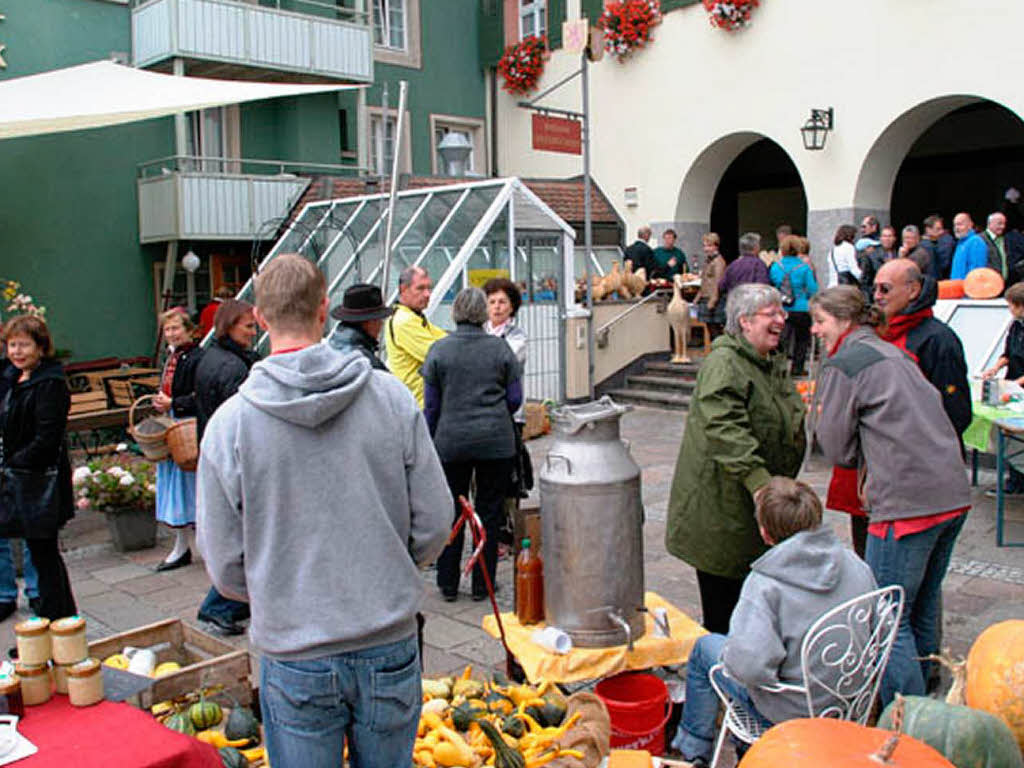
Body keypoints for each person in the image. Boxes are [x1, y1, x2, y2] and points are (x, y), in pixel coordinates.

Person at [197, 254, 450, 768]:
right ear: (323, 310)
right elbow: (435, 520)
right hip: (387, 639)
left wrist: (278, 587)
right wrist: (391, 565)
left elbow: (222, 562)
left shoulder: (230, 425)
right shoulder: (391, 399)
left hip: (294, 649)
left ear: (262, 319)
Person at [812, 285, 971, 705]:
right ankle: (927, 689)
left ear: (843, 322)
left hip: (908, 502)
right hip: (952, 494)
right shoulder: (893, 352)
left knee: (886, 615)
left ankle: (907, 715)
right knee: (920, 602)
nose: (814, 330)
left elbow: (834, 446)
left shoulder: (846, 361)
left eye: (820, 321)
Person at [670, 477, 877, 767]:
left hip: (789, 711)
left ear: (765, 533)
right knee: (749, 641)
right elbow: (877, 629)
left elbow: (748, 670)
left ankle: (693, 751)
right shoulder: (855, 563)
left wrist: (739, 652)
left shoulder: (765, 585)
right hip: (849, 698)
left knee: (705, 649)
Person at [665, 284, 805, 634]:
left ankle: (748, 672)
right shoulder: (724, 363)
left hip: (755, 508)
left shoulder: (768, 363)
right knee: (726, 614)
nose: (781, 320)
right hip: (723, 508)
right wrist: (761, 486)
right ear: (744, 321)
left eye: (781, 312)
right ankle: (723, 678)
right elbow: (726, 428)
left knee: (754, 609)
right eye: (771, 314)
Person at [423, 287, 521, 602]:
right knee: (488, 512)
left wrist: (433, 437)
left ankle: (448, 583)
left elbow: (432, 406)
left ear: (455, 313)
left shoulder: (439, 350)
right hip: (496, 443)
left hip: (451, 443)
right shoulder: (500, 349)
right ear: (482, 313)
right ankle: (483, 585)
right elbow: (515, 399)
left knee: (450, 510)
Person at [0, 315, 77, 620]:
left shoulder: (50, 384)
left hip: (38, 483)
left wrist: (12, 463)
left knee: (45, 557)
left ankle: (57, 622)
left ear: (41, 347)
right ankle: (56, 623)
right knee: (43, 556)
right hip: (17, 479)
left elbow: (47, 439)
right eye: (12, 344)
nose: (16, 351)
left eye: (24, 345)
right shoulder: (11, 377)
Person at [193, 299, 259, 635]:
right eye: (247, 326)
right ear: (229, 326)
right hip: (231, 457)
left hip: (211, 448)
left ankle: (222, 604)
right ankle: (218, 606)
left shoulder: (210, 357)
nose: (254, 331)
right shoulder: (235, 367)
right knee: (243, 542)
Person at [873, 259, 971, 441]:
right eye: (875, 289)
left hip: (924, 456)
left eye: (885, 289)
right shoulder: (877, 333)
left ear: (913, 290)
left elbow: (956, 411)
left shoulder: (939, 339)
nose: (877, 296)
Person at [152, 308, 202, 572]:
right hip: (172, 424)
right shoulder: (172, 357)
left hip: (187, 430)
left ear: (189, 330)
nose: (171, 334)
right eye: (168, 329)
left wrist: (175, 402)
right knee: (173, 485)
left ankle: (202, 544)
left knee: (190, 486)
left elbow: (200, 395)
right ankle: (181, 545)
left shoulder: (196, 357)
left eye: (176, 328)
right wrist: (162, 402)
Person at [483, 277, 530, 545]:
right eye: (492, 302)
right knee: (485, 479)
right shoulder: (481, 331)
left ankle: (509, 529)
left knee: (510, 475)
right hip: (484, 414)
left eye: (503, 302)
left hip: (510, 416)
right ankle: (492, 528)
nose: (497, 307)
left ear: (512, 307)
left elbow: (504, 365)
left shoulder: (517, 336)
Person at [981, 282, 1024, 494]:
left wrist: (1017, 384)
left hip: (1018, 386)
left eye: (1011, 306)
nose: (1009, 310)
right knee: (1008, 434)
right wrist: (995, 368)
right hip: (1013, 383)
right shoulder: (1015, 326)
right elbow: (1007, 353)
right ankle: (1015, 479)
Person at [385, 266, 447, 407]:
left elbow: (444, 338)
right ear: (403, 290)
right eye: (420, 288)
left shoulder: (415, 317)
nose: (427, 294)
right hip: (417, 407)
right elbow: (440, 354)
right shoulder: (404, 321)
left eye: (428, 288)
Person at [769, 235, 818, 376]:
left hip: (782, 308)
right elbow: (812, 289)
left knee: (781, 339)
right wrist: (805, 298)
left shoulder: (776, 267)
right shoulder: (804, 267)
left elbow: (772, 286)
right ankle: (797, 368)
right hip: (801, 307)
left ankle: (779, 368)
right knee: (801, 340)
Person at [328, 283, 392, 370]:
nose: (381, 325)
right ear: (369, 323)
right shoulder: (367, 363)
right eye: (379, 320)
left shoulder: (330, 347)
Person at [718, 233, 771, 307]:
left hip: (734, 305)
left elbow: (722, 285)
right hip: (752, 306)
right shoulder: (759, 265)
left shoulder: (733, 265)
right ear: (756, 247)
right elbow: (763, 286)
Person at [980, 211, 1024, 287]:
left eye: (1004, 224)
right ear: (990, 223)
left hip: (1005, 285)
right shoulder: (979, 240)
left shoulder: (1005, 239)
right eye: (999, 223)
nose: (1002, 226)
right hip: (987, 285)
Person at [695, 233, 727, 337]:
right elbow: (704, 280)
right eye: (704, 246)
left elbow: (718, 282)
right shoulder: (708, 261)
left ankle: (719, 350)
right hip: (705, 297)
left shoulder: (719, 262)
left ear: (715, 246)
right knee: (710, 328)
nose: (706, 249)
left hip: (713, 299)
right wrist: (697, 297)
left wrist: (713, 300)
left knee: (716, 330)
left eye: (709, 246)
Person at [950, 212, 988, 279]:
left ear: (970, 225)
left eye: (960, 224)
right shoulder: (961, 243)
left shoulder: (976, 242)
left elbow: (976, 271)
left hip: (967, 287)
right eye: (955, 225)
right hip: (957, 286)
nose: (956, 228)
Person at [922, 215, 956, 280]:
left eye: (941, 228)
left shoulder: (943, 241)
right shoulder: (926, 246)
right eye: (938, 229)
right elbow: (944, 264)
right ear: (928, 230)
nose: (941, 232)